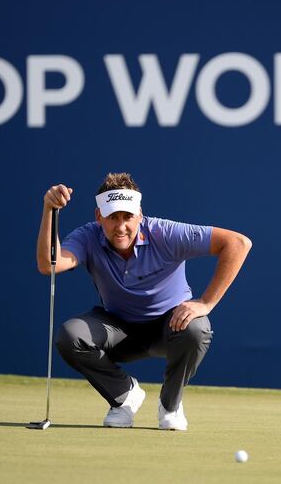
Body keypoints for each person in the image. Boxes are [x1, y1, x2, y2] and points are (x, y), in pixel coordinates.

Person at [36, 173, 252, 430]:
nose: (121, 226)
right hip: (119, 330)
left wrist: (206, 303)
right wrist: (50, 210)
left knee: (197, 327)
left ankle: (170, 406)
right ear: (98, 217)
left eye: (127, 217)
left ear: (140, 214)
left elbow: (238, 243)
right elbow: (49, 264)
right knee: (71, 335)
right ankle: (124, 395)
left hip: (170, 328)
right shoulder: (87, 237)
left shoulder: (166, 233)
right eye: (112, 217)